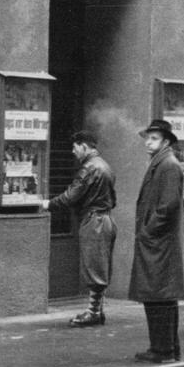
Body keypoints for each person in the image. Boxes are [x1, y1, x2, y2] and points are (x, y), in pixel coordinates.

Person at [40, 130, 116, 326]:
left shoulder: (89, 168)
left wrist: (48, 204)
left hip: (94, 221)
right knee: (99, 265)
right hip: (105, 219)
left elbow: (71, 196)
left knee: (94, 268)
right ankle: (97, 310)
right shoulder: (105, 165)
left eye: (75, 147)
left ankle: (93, 312)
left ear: (83, 146)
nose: (73, 152)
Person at [129, 119, 184, 363]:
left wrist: (148, 230)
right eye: (147, 138)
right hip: (158, 241)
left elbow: (168, 205)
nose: (148, 142)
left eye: (153, 138)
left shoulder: (168, 165)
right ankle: (167, 348)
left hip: (158, 242)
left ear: (165, 141)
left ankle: (163, 349)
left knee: (158, 296)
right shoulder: (162, 162)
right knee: (161, 296)